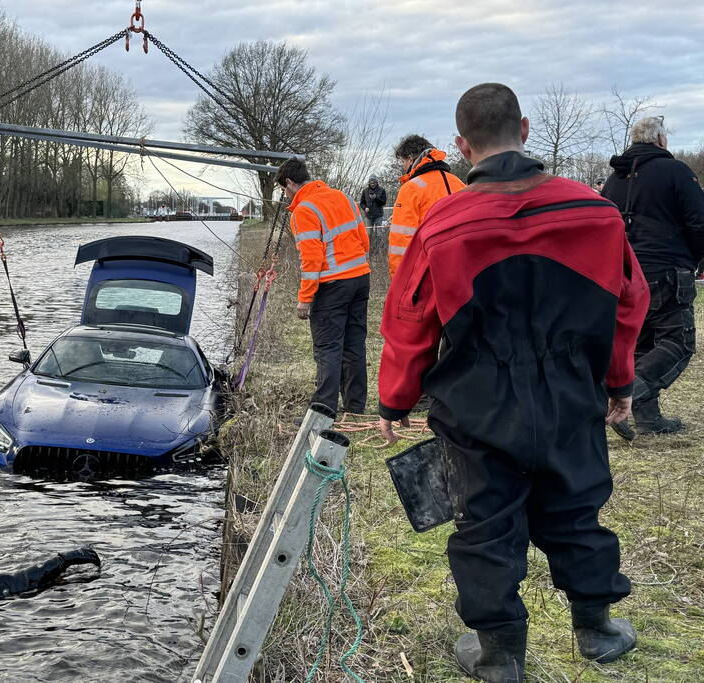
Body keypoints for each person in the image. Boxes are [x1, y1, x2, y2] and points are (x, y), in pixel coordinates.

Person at [377, 83, 648, 682]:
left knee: (485, 521)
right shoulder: (595, 211)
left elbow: (408, 317)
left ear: (461, 145)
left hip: (477, 400)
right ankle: (596, 629)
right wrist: (618, 382)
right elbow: (630, 303)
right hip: (571, 390)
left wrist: (393, 401)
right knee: (577, 505)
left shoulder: (443, 223)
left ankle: (500, 656)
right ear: (524, 130)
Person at [602, 115, 704, 436]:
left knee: (643, 341)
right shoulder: (676, 172)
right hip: (668, 269)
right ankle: (632, 395)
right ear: (660, 140)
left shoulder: (613, 181)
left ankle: (648, 419)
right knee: (678, 341)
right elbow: (699, 222)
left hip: (626, 272)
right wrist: (697, 260)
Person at [276, 158, 370, 414]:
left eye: (284, 190)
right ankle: (355, 408)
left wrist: (305, 297)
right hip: (361, 278)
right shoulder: (342, 197)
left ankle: (323, 410)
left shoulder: (304, 210)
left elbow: (311, 259)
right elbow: (364, 238)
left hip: (332, 285)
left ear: (290, 183)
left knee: (328, 347)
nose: (286, 195)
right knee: (354, 344)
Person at [387, 134, 466, 279]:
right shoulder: (459, 183)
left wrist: (399, 281)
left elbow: (401, 242)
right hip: (463, 269)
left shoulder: (410, 189)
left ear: (410, 159)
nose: (403, 167)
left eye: (403, 161)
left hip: (427, 275)